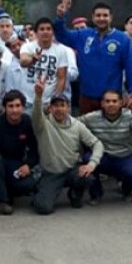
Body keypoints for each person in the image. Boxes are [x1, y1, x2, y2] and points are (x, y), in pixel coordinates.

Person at [53, 0, 132, 114]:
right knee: (85, 132)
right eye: (98, 15)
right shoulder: (83, 35)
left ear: (111, 18)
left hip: (111, 100)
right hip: (87, 98)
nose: (101, 18)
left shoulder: (122, 39)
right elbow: (62, 35)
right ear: (93, 18)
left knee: (110, 132)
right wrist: (61, 17)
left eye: (105, 15)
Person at [31, 78, 103, 214]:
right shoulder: (42, 124)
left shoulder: (77, 125)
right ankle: (41, 191)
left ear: (68, 107)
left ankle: (75, 193)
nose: (59, 109)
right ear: (50, 108)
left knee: (87, 177)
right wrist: (38, 97)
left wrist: (91, 164)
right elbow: (36, 115)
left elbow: (97, 144)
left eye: (62, 105)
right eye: (55, 106)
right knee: (43, 208)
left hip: (71, 170)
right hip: (51, 173)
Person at [79, 90, 132, 203]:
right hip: (103, 157)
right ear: (102, 104)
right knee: (87, 159)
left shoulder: (130, 115)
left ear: (121, 103)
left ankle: (126, 191)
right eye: (107, 101)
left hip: (125, 156)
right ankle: (96, 194)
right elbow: (73, 124)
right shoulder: (91, 117)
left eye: (114, 101)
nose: (111, 104)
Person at [20, 17, 70, 107]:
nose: (45, 32)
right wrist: (33, 60)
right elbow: (23, 62)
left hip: (48, 102)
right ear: (36, 32)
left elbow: (61, 78)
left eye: (48, 29)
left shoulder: (61, 51)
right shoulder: (27, 47)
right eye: (42, 29)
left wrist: (55, 100)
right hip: (28, 100)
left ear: (53, 32)